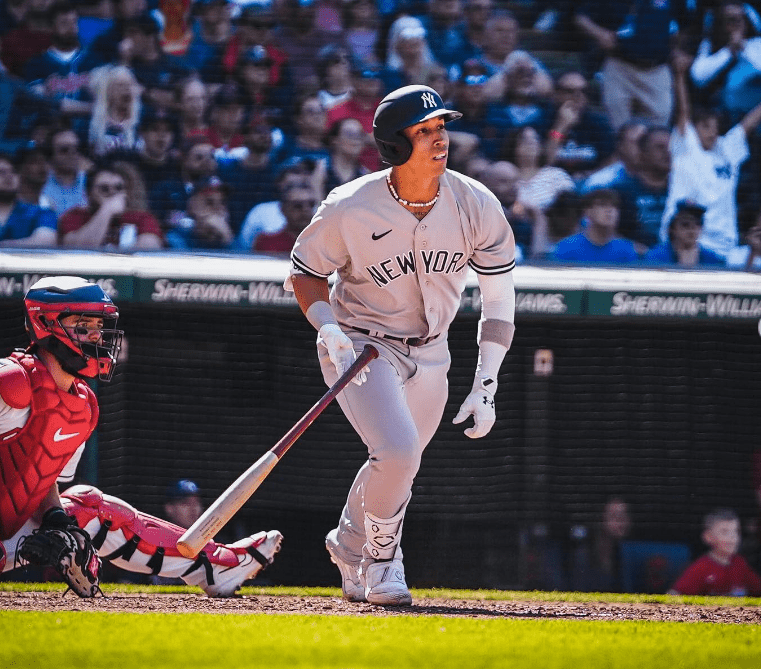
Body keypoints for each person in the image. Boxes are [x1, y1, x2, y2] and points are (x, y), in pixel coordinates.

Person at [286, 85, 516, 605]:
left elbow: (500, 295)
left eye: (441, 129)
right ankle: (382, 561)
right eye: (424, 132)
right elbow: (305, 273)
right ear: (393, 144)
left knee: (398, 463)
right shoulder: (349, 207)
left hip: (434, 350)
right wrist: (327, 328)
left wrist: (487, 383)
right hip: (363, 344)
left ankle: (347, 544)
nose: (440, 140)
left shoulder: (475, 202)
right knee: (396, 451)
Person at [0, 276, 283, 597]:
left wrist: (56, 520)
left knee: (89, 507)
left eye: (98, 324)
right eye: (83, 324)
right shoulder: (11, 381)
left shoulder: (83, 407)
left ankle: (217, 566)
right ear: (45, 324)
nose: (96, 335)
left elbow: (42, 480)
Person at [660, 49, 761, 260]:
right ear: (694, 129)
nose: (712, 132)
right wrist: (679, 76)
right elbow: (683, 111)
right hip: (683, 239)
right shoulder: (685, 148)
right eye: (705, 126)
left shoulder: (728, 148)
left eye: (715, 127)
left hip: (724, 243)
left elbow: (749, 123)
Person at [58, 162, 164, 250]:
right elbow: (75, 252)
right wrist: (107, 210)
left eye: (119, 188)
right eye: (104, 189)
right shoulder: (74, 216)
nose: (113, 193)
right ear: (89, 194)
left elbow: (148, 249)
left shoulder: (143, 218)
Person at [669, 509, 761, 596]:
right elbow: (673, 594)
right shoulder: (701, 567)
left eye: (736, 531)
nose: (733, 537)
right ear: (708, 537)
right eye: (725, 532)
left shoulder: (740, 563)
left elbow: (757, 588)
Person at [551, 188, 639, 263]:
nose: (609, 210)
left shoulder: (626, 249)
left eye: (614, 206)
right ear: (588, 211)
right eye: (602, 205)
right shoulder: (567, 247)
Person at [569, 496, 632, 593]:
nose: (622, 522)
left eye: (625, 516)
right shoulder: (582, 555)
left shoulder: (623, 554)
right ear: (601, 519)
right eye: (615, 516)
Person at [0, 153, 58, 248]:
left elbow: (46, 241)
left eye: (13, 171)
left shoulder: (41, 213)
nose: (9, 176)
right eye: (1, 172)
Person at [644, 200, 725, 267]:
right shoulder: (655, 257)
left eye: (697, 224)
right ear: (672, 228)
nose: (692, 229)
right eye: (685, 224)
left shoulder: (713, 259)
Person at [253, 179, 317, 255]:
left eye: (311, 204)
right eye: (298, 205)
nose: (306, 210)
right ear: (283, 209)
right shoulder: (266, 243)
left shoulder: (328, 242)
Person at [41, 125, 89, 217]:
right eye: (64, 150)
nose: (72, 153)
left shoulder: (91, 182)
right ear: (51, 155)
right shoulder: (40, 184)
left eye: (76, 148)